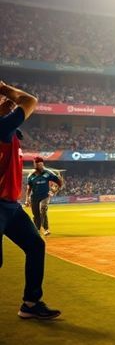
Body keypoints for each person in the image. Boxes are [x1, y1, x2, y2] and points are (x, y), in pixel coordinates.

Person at [0, 80, 61, 320]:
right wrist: (4, 88)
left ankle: (31, 303)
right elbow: (30, 101)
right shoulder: (2, 127)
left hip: (10, 206)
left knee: (36, 245)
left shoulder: (8, 129)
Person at [25, 156, 64, 236]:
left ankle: (46, 229)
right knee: (36, 214)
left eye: (41, 164)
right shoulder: (31, 176)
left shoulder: (48, 173)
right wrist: (27, 199)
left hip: (45, 196)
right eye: (37, 164)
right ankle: (37, 229)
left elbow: (59, 183)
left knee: (42, 208)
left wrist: (55, 190)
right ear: (35, 165)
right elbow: (29, 189)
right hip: (34, 197)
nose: (40, 166)